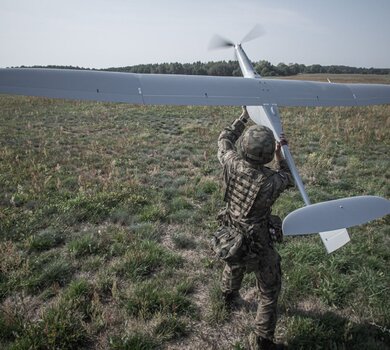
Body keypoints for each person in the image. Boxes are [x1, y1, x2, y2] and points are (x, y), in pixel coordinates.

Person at [215, 106, 294, 350]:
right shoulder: (271, 182)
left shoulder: (230, 162)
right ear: (269, 153)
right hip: (257, 239)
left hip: (231, 228)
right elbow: (288, 177)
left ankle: (227, 297)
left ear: (244, 147)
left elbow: (224, 138)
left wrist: (243, 117)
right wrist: (282, 156)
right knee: (269, 288)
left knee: (233, 261)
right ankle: (262, 340)